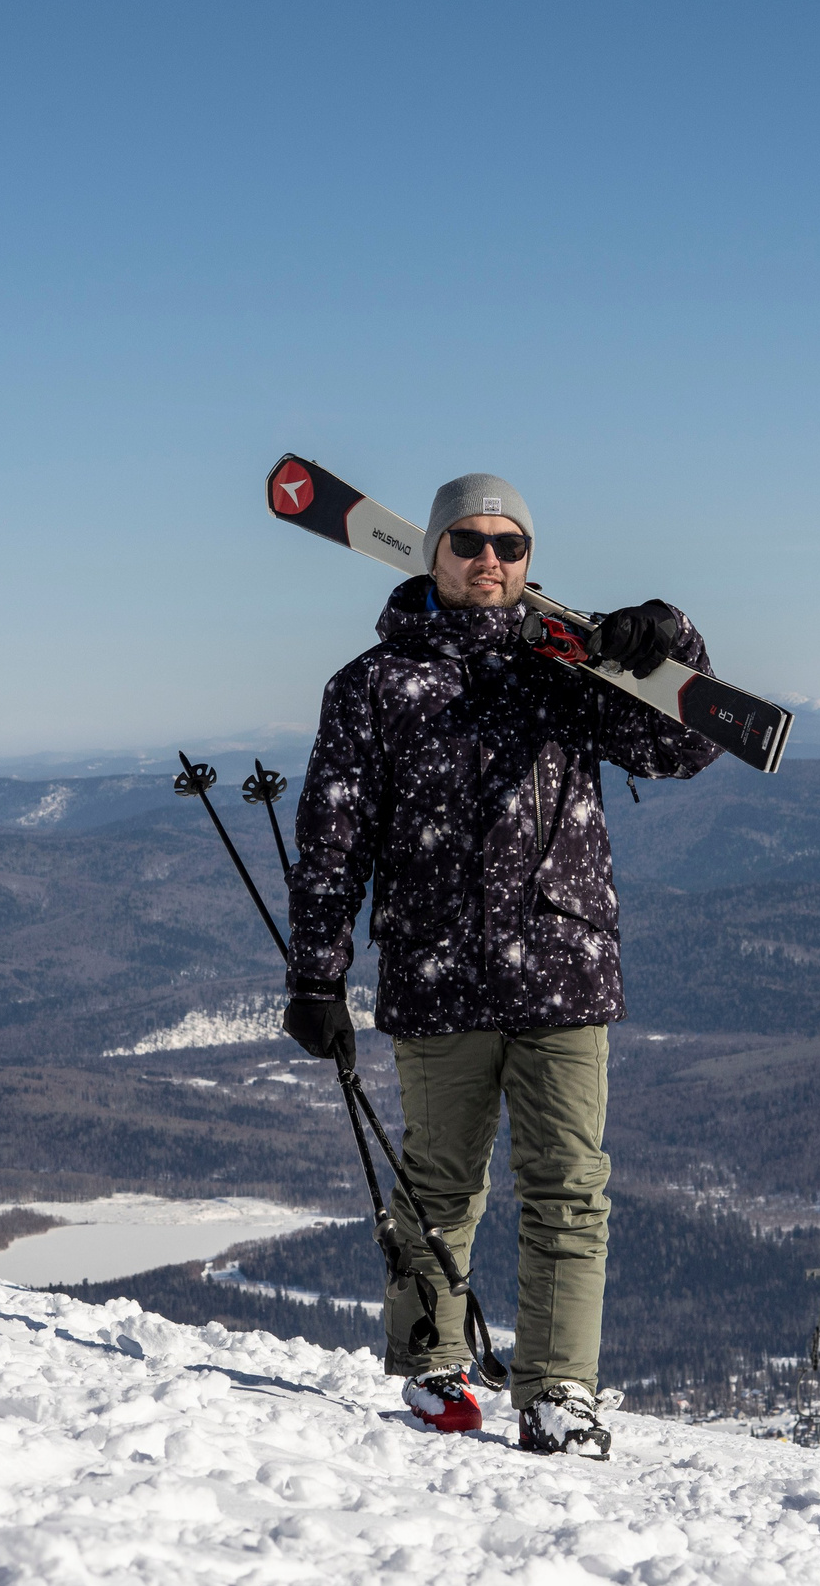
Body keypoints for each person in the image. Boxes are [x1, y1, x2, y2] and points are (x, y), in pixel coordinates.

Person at [281, 471, 721, 1459]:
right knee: (437, 1183)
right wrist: (315, 974)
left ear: (529, 560)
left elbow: (683, 749)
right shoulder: (371, 687)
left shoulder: (570, 668)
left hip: (562, 967)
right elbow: (333, 842)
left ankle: (558, 1391)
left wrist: (669, 640)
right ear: (431, 552)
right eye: (469, 543)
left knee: (570, 1185)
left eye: (509, 546)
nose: (489, 560)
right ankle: (433, 1362)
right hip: (438, 973)